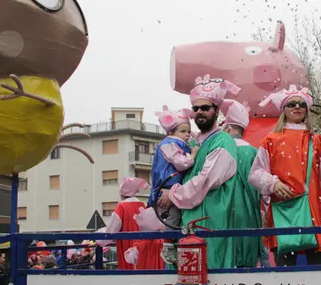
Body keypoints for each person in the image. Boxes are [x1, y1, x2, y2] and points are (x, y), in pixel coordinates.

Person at [249, 85, 321, 266]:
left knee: (319, 270)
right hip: (283, 212)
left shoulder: (316, 140)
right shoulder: (270, 140)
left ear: (307, 110)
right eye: (292, 104)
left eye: (301, 104)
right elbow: (255, 174)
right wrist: (273, 184)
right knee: (284, 272)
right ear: (283, 110)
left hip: (315, 213)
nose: (297, 107)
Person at [157, 75, 241, 269]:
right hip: (187, 228)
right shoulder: (194, 143)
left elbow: (205, 181)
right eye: (196, 109)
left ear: (217, 111)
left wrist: (173, 194)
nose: (200, 112)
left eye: (205, 108)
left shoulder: (223, 142)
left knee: (208, 274)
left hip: (209, 228)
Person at [150, 105, 197, 263]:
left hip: (168, 187)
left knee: (174, 218)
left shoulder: (170, 143)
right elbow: (181, 163)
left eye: (188, 131)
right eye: (183, 131)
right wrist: (193, 155)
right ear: (171, 132)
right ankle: (168, 247)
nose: (187, 135)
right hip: (168, 189)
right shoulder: (170, 144)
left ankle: (171, 245)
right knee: (173, 218)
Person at [220, 99, 263, 268]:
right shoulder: (253, 151)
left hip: (223, 209)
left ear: (229, 128)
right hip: (248, 212)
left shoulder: (220, 150)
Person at [98, 177, 149, 270]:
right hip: (142, 250)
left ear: (122, 193)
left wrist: (98, 241)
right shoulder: (142, 206)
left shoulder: (121, 207)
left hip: (126, 251)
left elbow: (111, 231)